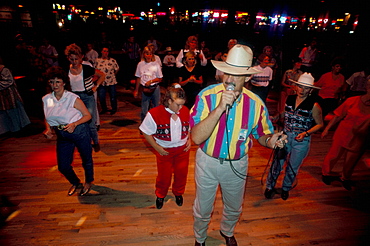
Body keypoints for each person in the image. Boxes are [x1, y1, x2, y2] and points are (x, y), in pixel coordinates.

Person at [190, 44, 287, 246]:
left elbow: (262, 134)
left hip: (238, 164)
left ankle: (227, 231)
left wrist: (272, 141)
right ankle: (200, 238)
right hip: (207, 162)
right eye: (227, 73)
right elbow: (196, 138)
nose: (229, 80)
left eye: (236, 75)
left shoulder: (256, 104)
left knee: (234, 206)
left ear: (248, 77)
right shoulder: (206, 97)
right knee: (203, 206)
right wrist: (219, 109)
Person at [265, 73, 324, 200]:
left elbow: (320, 124)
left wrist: (306, 133)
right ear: (295, 86)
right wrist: (276, 116)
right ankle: (270, 186)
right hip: (285, 136)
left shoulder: (314, 106)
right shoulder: (290, 99)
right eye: (300, 86)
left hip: (301, 140)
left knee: (292, 167)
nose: (302, 90)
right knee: (277, 164)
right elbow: (286, 112)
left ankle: (286, 188)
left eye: (306, 88)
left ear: (311, 90)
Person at [42, 66, 94, 196]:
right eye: (52, 82)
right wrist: (48, 129)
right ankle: (76, 182)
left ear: (64, 82)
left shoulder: (72, 98)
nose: (55, 85)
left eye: (58, 81)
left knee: (86, 159)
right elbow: (48, 116)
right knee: (63, 166)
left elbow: (88, 115)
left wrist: (74, 124)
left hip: (79, 131)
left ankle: (89, 181)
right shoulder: (47, 99)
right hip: (62, 134)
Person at [139, 84, 191, 209]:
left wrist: (189, 139)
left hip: (182, 150)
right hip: (164, 151)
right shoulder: (154, 113)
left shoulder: (184, 110)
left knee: (181, 174)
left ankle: (178, 193)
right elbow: (145, 131)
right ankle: (160, 195)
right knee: (164, 176)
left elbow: (188, 126)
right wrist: (156, 147)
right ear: (169, 101)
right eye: (178, 104)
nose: (181, 108)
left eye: (182, 104)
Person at [321, 78, 370, 191]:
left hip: (359, 139)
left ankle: (345, 178)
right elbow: (338, 115)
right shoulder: (352, 100)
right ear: (367, 87)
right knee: (333, 155)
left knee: (351, 161)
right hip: (343, 133)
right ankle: (326, 173)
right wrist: (327, 129)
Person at [65, 43, 105, 152]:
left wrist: (95, 86)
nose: (74, 62)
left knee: (90, 122)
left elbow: (102, 75)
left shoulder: (86, 68)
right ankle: (82, 143)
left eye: (76, 59)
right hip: (73, 98)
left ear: (81, 57)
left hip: (87, 96)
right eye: (71, 59)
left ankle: (96, 142)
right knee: (76, 121)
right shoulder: (66, 70)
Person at [0, 58, 31, 135]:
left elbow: (8, 81)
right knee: (5, 113)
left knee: (13, 111)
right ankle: (8, 129)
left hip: (9, 94)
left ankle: (18, 129)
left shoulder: (4, 70)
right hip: (2, 96)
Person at [134, 46, 163, 122]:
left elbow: (160, 78)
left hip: (154, 88)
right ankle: (144, 126)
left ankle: (156, 125)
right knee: (144, 110)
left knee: (156, 108)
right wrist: (136, 90)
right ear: (144, 54)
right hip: (145, 89)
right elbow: (138, 77)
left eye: (150, 54)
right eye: (147, 54)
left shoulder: (156, 64)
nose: (148, 56)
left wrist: (151, 81)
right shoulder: (140, 64)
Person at [94, 47, 119, 115]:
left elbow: (116, 69)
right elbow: (94, 70)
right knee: (101, 96)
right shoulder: (97, 60)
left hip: (111, 81)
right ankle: (104, 109)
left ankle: (113, 109)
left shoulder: (112, 60)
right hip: (101, 82)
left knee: (113, 96)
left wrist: (112, 75)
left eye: (107, 51)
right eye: (104, 51)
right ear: (101, 52)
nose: (106, 53)